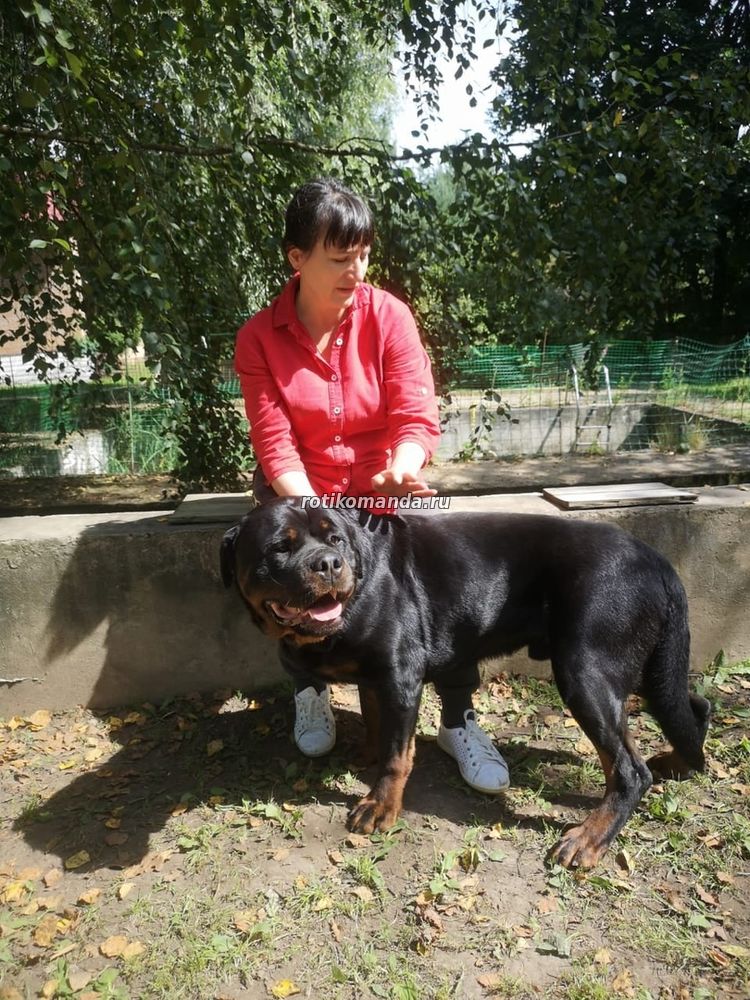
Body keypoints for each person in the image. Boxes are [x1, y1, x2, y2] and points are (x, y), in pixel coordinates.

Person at [234, 177, 509, 794]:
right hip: (299, 491)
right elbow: (274, 440)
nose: (356, 271)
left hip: (383, 490)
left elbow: (416, 411)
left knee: (445, 588)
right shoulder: (258, 338)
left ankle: (458, 719)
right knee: (293, 577)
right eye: (339, 257)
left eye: (362, 255)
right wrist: (315, 518)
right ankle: (310, 689)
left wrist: (405, 464)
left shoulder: (389, 317)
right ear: (297, 258)